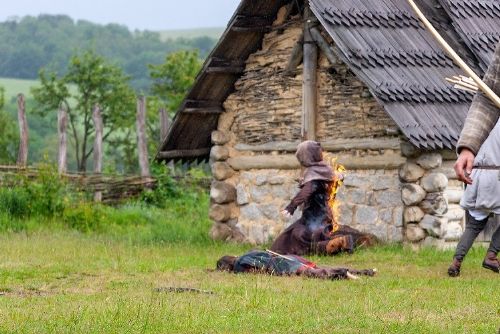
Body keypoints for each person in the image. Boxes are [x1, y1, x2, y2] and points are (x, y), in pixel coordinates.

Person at [269, 140, 376, 256]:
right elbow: (330, 179)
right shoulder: (322, 169)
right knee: (290, 235)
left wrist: (291, 206)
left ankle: (340, 243)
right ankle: (337, 243)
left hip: (315, 219)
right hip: (315, 216)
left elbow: (307, 190)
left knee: (300, 237)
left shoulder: (314, 174)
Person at [448, 121, 500, 276]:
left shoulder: (478, 124)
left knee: (475, 224)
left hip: (475, 176)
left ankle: (456, 263)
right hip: (496, 176)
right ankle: (491, 256)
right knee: (475, 223)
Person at [216, 250, 376, 280]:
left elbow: (256, 270)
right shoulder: (248, 252)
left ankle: (341, 274)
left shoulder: (239, 265)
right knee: (316, 267)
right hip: (286, 257)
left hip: (281, 265)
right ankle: (365, 272)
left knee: (310, 273)